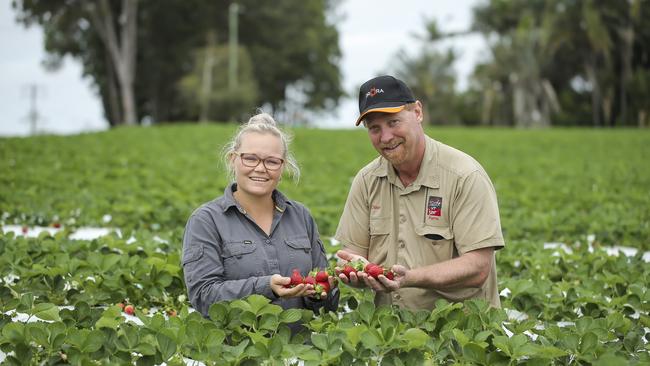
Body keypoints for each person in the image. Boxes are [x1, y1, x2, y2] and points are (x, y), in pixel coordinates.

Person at [335, 75, 504, 310]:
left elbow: (478, 267)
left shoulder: (464, 176)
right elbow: (350, 255)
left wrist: (410, 278)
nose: (385, 137)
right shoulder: (366, 181)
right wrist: (355, 271)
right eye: (375, 128)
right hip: (391, 337)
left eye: (393, 122)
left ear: (417, 112)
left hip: (461, 337)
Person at [182, 112, 338, 320]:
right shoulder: (206, 221)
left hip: (302, 349)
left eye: (272, 162)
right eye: (250, 158)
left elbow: (325, 305)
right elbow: (203, 295)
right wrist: (266, 287)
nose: (260, 168)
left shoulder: (301, 216)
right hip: (233, 351)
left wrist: (324, 290)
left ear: (282, 167)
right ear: (233, 160)